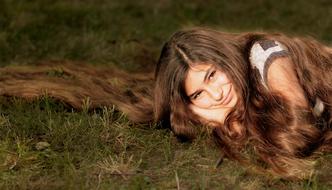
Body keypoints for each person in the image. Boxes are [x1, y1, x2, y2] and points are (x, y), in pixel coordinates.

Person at [0, 28, 331, 180]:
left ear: (227, 60)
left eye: (215, 74)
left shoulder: (266, 57)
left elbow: (298, 133)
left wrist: (236, 122)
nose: (217, 95)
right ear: (187, 106)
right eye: (198, 94)